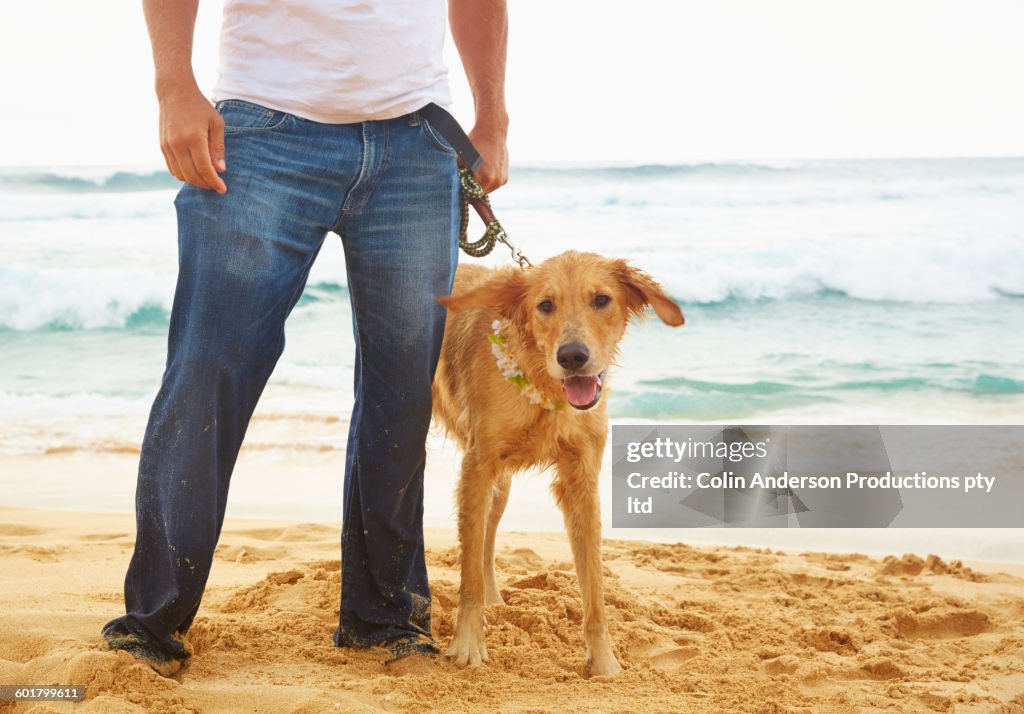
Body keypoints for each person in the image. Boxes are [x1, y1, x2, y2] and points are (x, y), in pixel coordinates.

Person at [101, 0, 509, 677]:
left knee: (403, 392)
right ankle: (151, 622)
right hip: (263, 128)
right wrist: (174, 84)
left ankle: (384, 620)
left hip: (418, 140)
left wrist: (492, 116)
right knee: (210, 370)